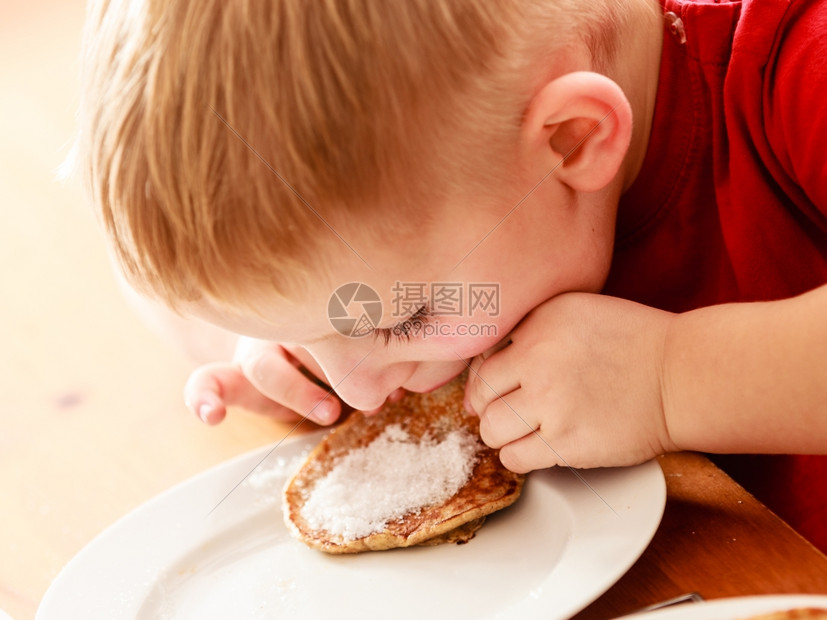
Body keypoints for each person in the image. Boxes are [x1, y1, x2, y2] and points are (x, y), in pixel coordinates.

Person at [75, 0, 827, 550]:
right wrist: (300, 350)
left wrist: (671, 379)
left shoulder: (792, 65)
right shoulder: (468, 175)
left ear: (571, 141)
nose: (360, 388)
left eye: (397, 320)